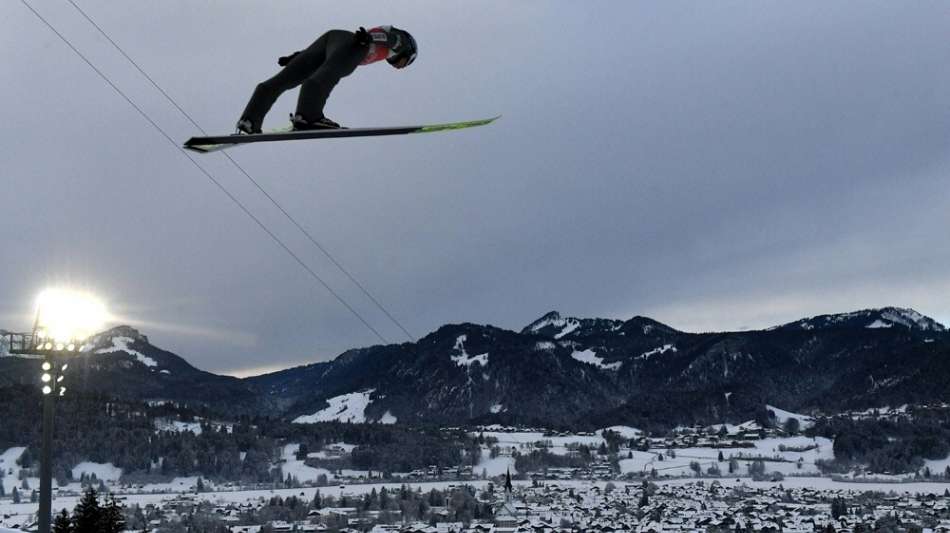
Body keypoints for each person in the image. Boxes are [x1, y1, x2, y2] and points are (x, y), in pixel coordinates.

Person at [236, 26, 417, 133]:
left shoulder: (384, 49)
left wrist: (297, 58)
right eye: (405, 63)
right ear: (408, 53)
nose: (399, 66)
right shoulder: (401, 41)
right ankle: (308, 117)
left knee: (283, 80)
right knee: (328, 75)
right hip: (354, 43)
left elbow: (326, 54)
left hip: (333, 39)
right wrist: (367, 38)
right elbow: (390, 38)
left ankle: (250, 120)